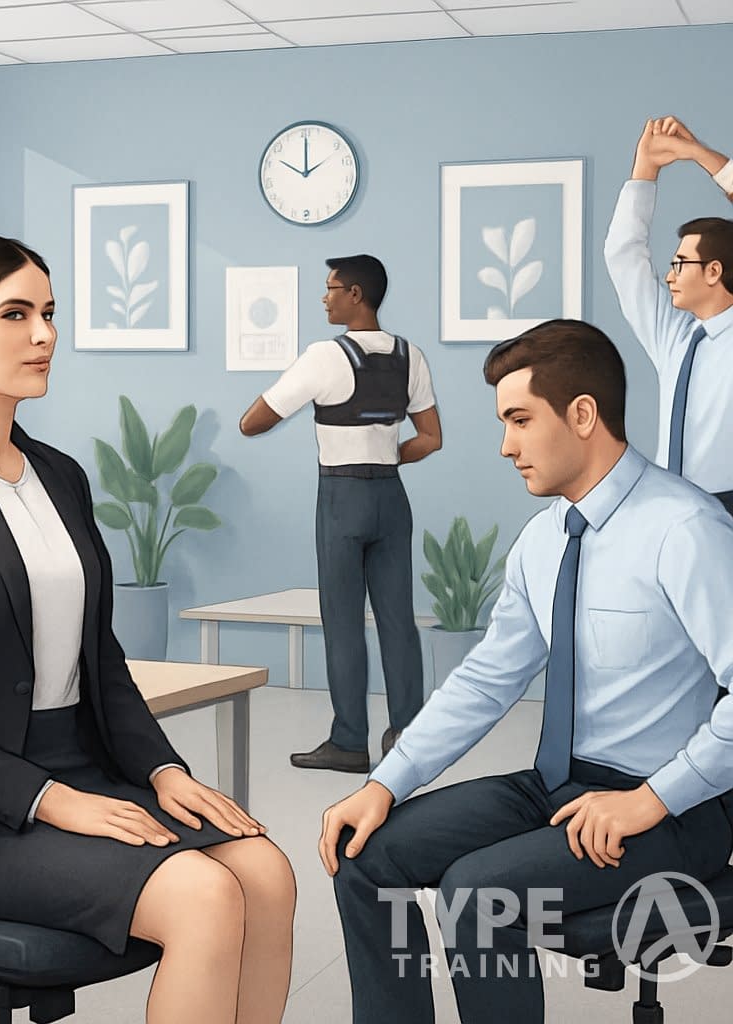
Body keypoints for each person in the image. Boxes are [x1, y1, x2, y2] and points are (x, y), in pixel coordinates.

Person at [0, 234, 296, 1024]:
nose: (45, 335)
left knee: (266, 872)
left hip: (86, 776)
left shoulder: (59, 475)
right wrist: (45, 797)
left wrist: (161, 770)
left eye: (48, 313)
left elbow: (102, 660)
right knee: (203, 896)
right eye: (15, 314)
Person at [319, 319, 733, 1024]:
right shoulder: (544, 539)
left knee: (476, 894)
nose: (505, 445)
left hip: (673, 808)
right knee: (365, 855)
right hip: (556, 784)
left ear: (581, 415)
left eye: (518, 420)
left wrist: (650, 800)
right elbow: (486, 681)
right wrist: (385, 783)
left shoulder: (685, 529)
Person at [240, 254, 441, 772]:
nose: (325, 298)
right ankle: (408, 741)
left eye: (331, 289)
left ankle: (350, 742)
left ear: (356, 294)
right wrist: (385, 450)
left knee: (344, 623)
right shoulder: (409, 355)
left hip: (341, 498)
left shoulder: (324, 357)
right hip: (391, 499)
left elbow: (251, 422)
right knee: (399, 622)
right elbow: (431, 439)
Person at [604, 115, 733, 513]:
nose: (669, 275)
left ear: (714, 271)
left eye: (681, 264)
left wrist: (700, 155)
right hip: (670, 507)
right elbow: (623, 256)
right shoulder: (675, 335)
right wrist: (646, 169)